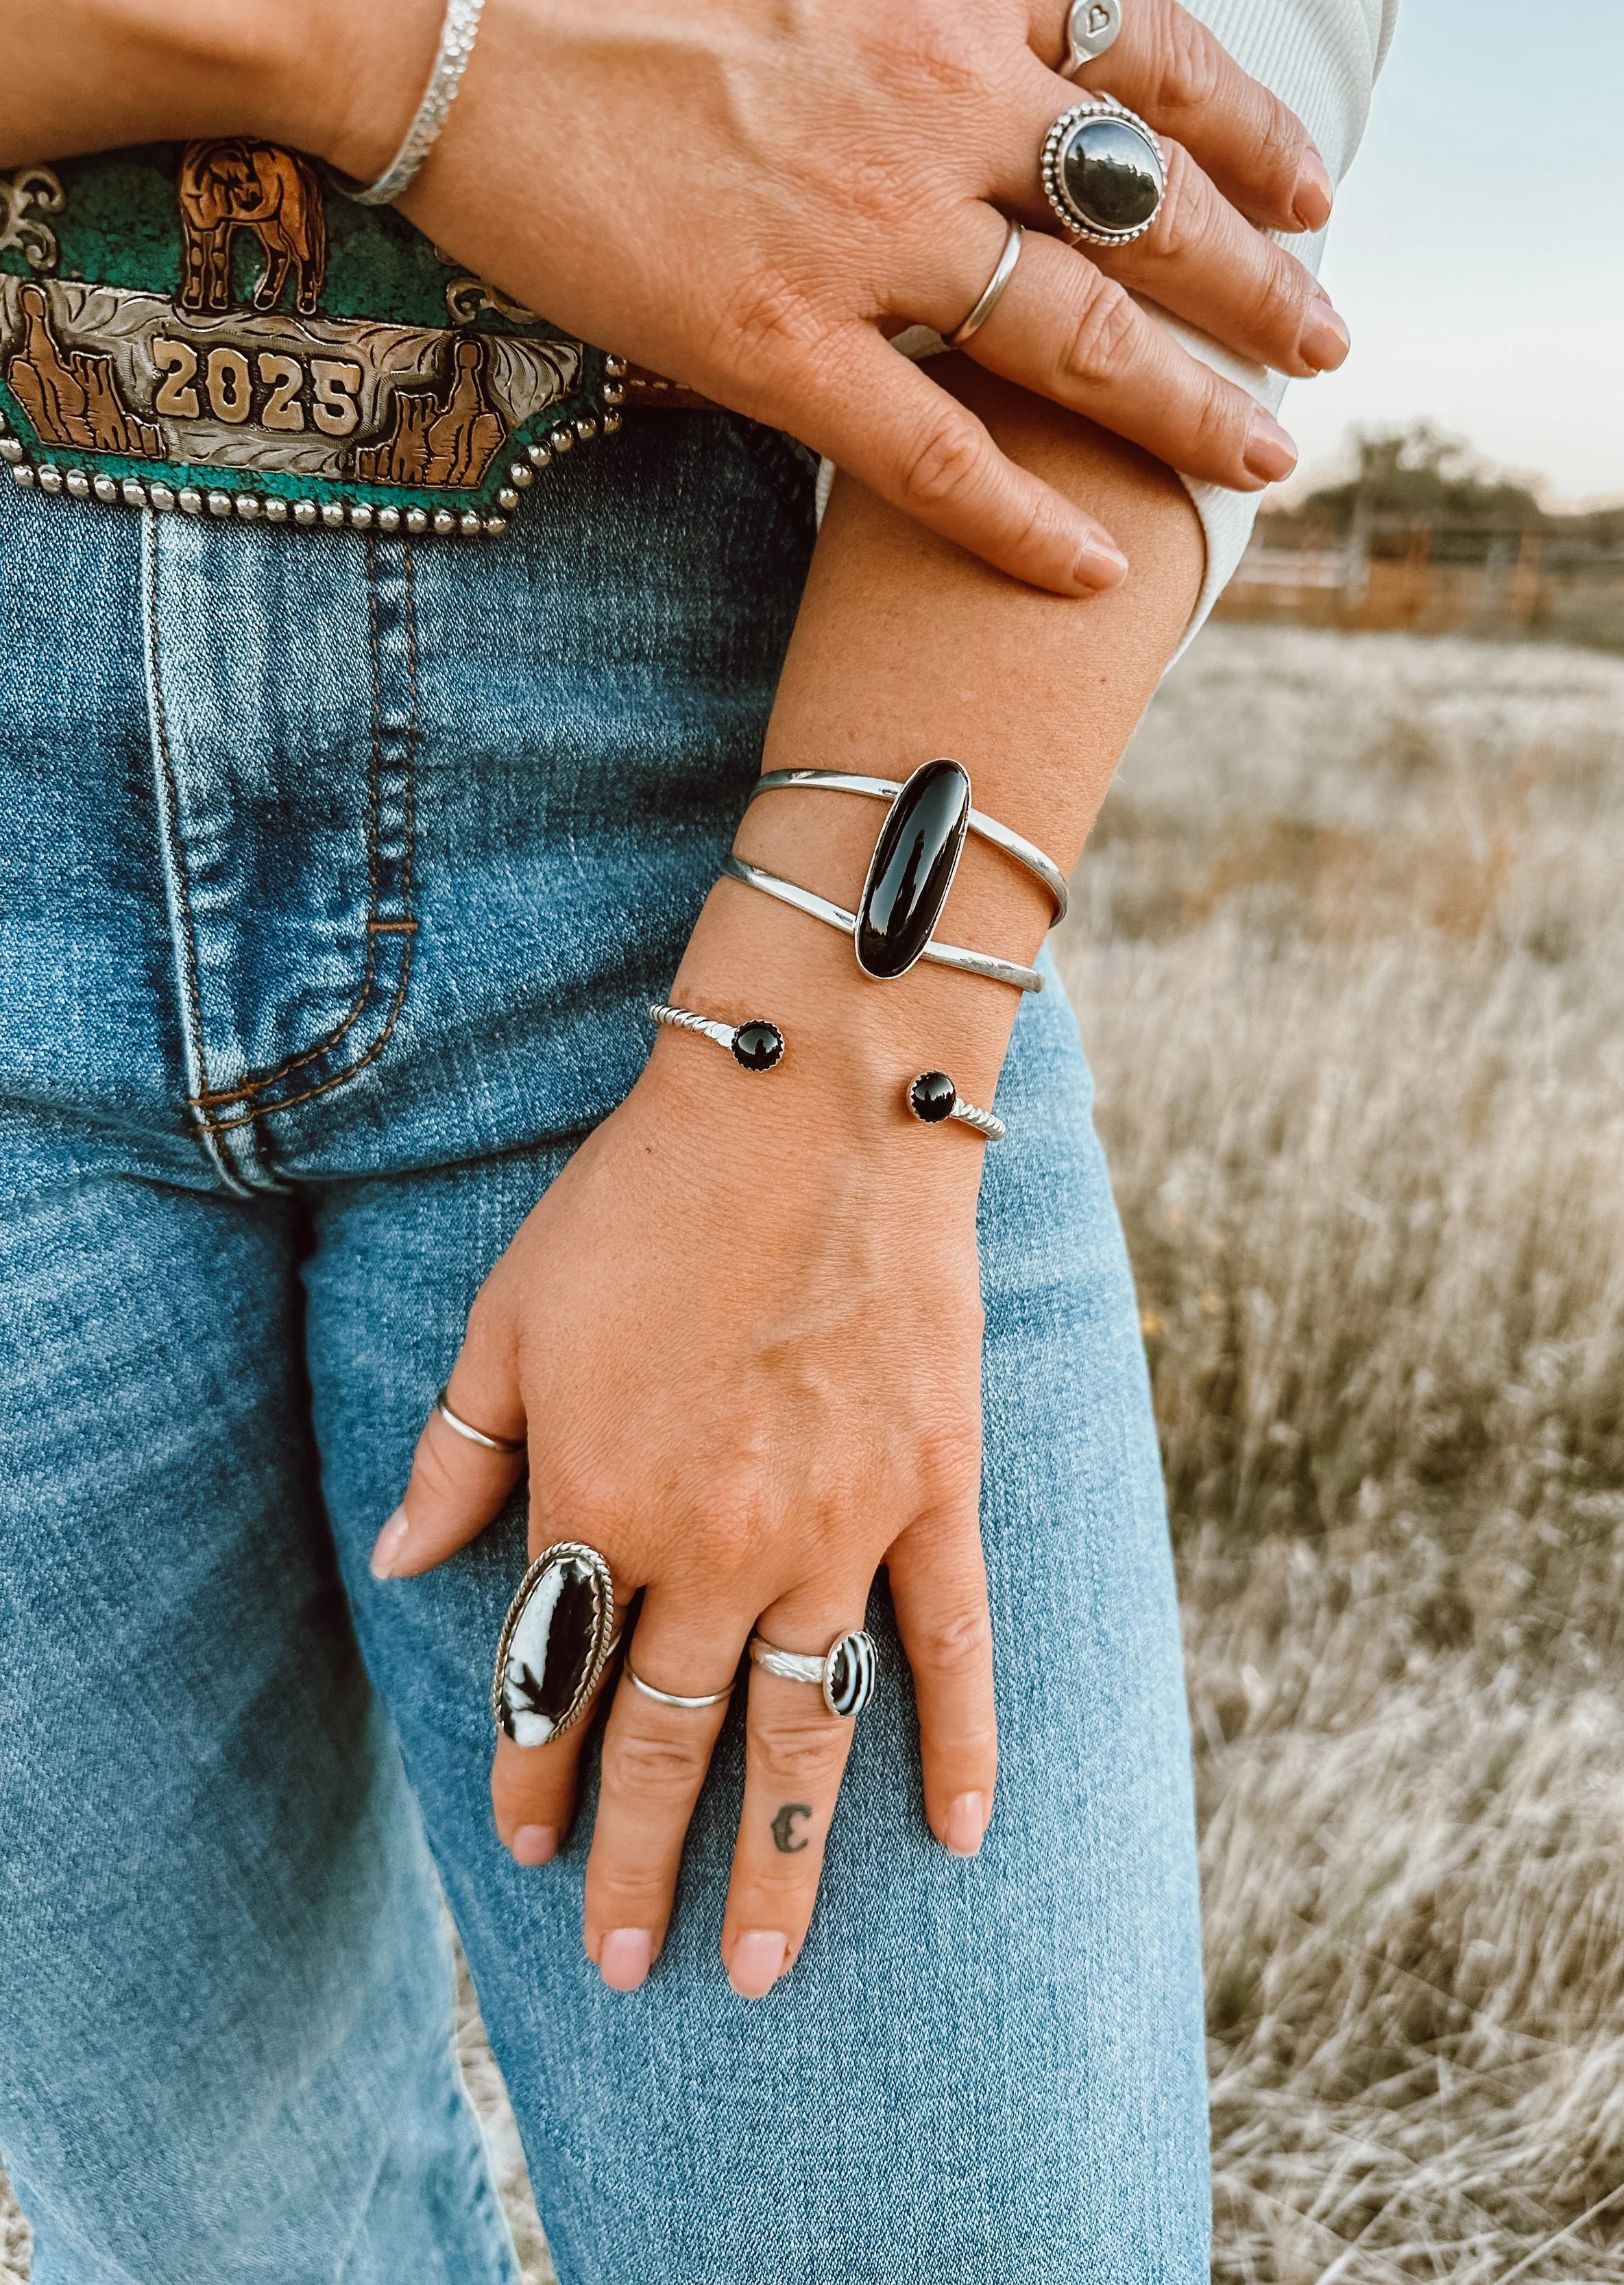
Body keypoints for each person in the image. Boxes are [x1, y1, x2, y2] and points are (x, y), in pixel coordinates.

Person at [0, 0, 1392, 2277]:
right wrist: (419, 56)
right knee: (223, 2238)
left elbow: (1168, 102)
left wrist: (846, 1053)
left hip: (736, 816)